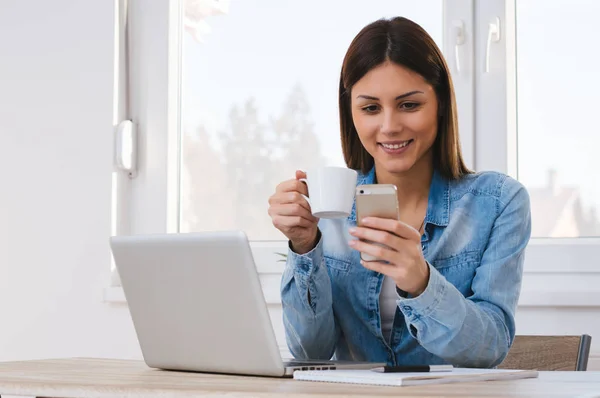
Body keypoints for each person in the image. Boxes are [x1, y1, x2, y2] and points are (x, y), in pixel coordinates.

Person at [267, 16, 531, 368]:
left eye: (409, 104)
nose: (389, 126)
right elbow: (310, 352)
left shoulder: (499, 202)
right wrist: (304, 246)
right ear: (351, 114)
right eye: (371, 108)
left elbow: (489, 348)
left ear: (440, 104)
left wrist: (420, 282)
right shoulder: (329, 206)